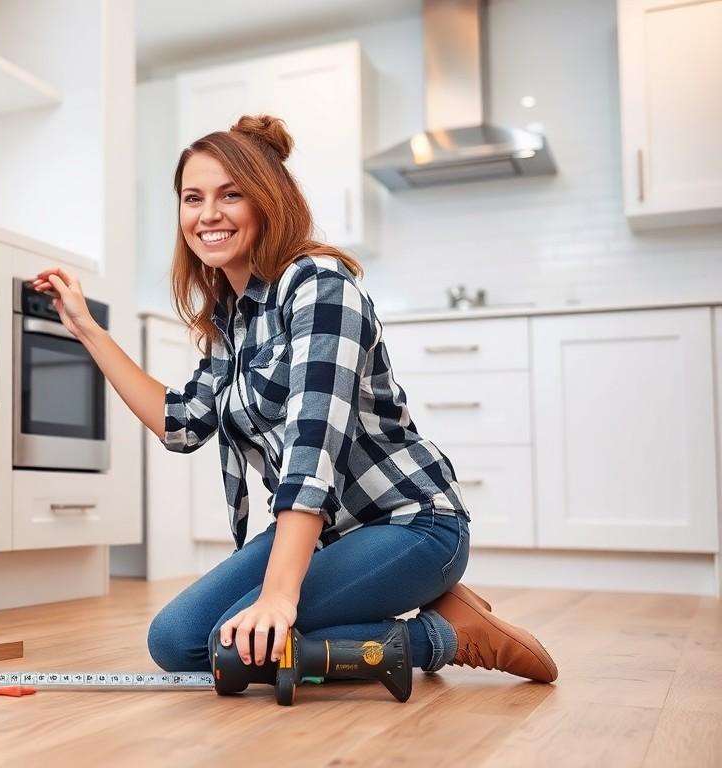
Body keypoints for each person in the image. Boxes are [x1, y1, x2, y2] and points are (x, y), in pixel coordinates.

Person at [30, 114, 557, 683]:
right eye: (193, 198)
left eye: (231, 195)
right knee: (176, 642)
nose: (208, 214)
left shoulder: (320, 286)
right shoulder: (231, 320)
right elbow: (180, 424)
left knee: (235, 649)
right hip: (325, 537)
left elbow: (312, 448)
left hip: (409, 525)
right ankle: (415, 609)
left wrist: (279, 597)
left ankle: (444, 637)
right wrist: (86, 328)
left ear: (267, 200)